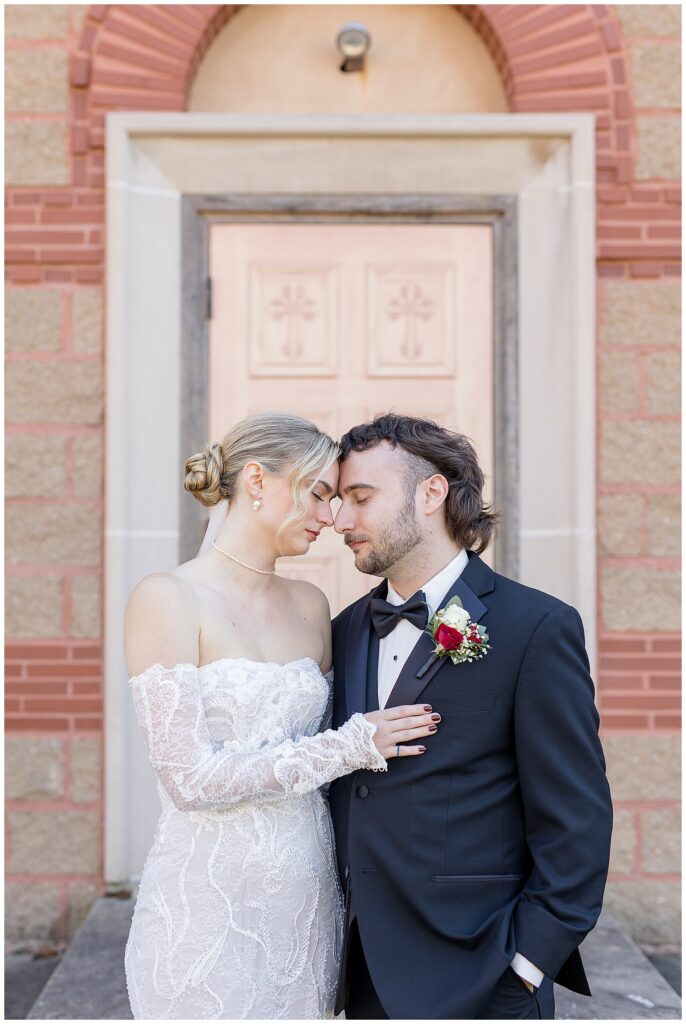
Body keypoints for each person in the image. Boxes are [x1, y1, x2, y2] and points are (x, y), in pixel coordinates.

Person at [123, 412, 438, 1020]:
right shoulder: (166, 597)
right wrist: (350, 746)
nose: (331, 517)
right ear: (258, 481)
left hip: (306, 898)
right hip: (205, 906)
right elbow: (189, 780)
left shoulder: (312, 606)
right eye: (319, 494)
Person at [329, 412, 613, 1020]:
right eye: (338, 501)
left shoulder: (535, 627)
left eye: (360, 498)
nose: (340, 519)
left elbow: (576, 818)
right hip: (363, 971)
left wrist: (529, 962)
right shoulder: (345, 630)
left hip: (483, 971)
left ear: (431, 493)